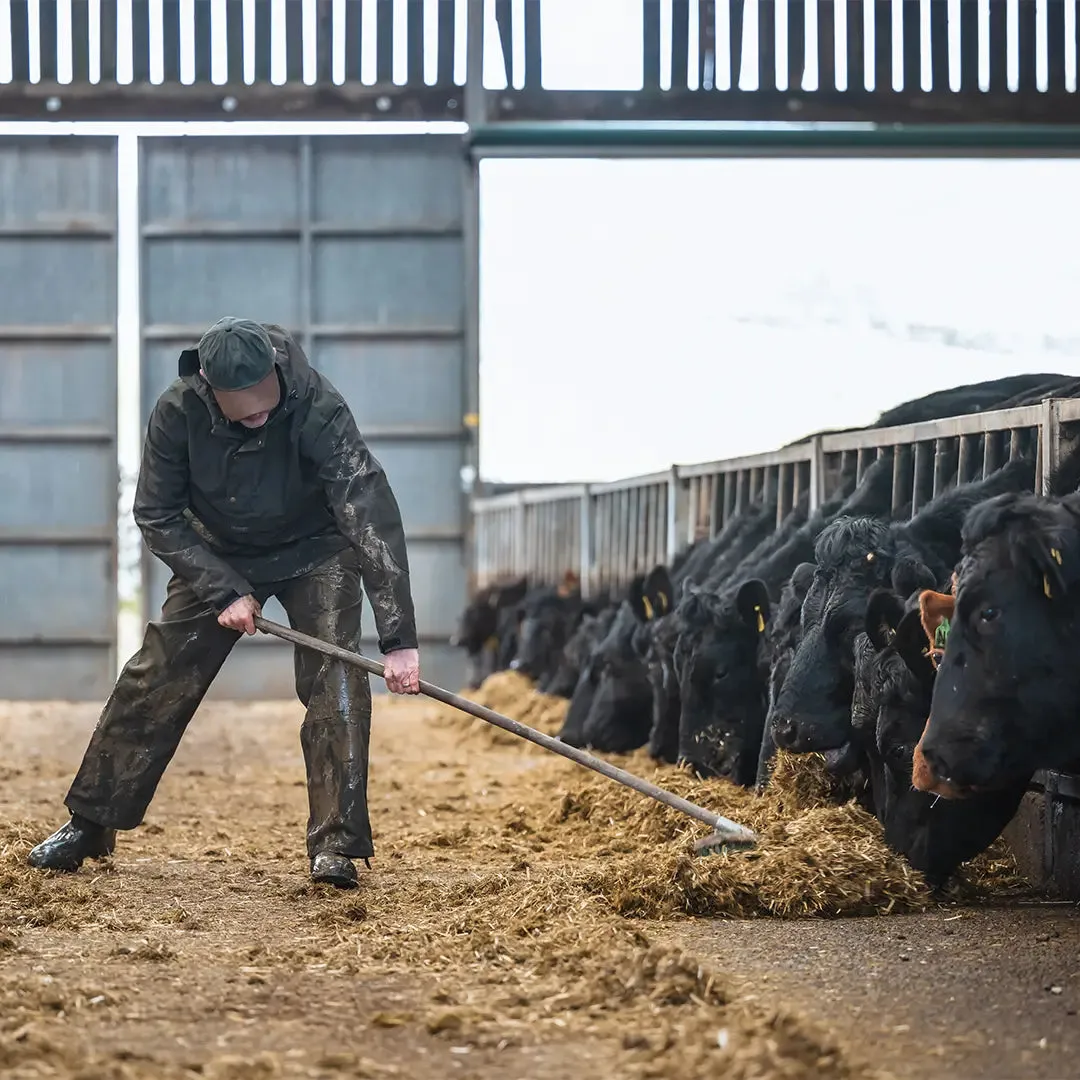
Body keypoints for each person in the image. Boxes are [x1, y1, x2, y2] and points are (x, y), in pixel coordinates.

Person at [27, 317, 421, 890]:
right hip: (216, 551)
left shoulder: (316, 402)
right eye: (246, 408)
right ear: (209, 388)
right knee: (155, 675)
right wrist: (223, 589)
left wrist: (399, 639)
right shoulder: (176, 412)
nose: (260, 414)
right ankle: (90, 823)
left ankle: (336, 843)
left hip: (316, 548)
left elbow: (366, 505)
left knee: (337, 678)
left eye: (266, 401)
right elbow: (157, 514)